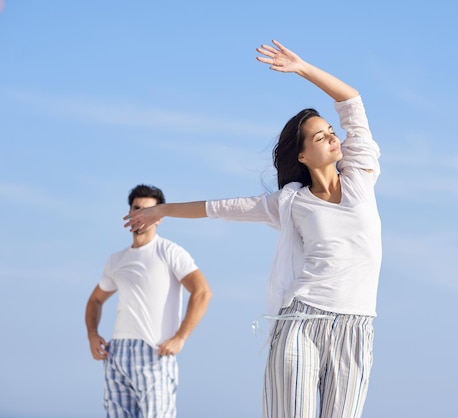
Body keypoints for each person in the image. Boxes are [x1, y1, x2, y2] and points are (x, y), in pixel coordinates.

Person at [124, 40, 381, 418]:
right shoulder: (290, 202)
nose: (331, 136)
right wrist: (160, 209)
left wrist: (302, 67)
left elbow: (352, 103)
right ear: (302, 156)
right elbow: (220, 208)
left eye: (330, 130)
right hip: (301, 323)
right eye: (319, 135)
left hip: (356, 328)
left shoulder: (361, 175)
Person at [85, 184, 212, 418]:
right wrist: (92, 334)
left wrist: (180, 338)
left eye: (149, 210)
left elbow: (202, 292)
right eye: (136, 208)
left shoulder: (170, 252)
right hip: (117, 354)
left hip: (154, 353)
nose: (141, 214)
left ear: (160, 217)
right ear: (129, 211)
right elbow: (95, 300)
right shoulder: (116, 260)